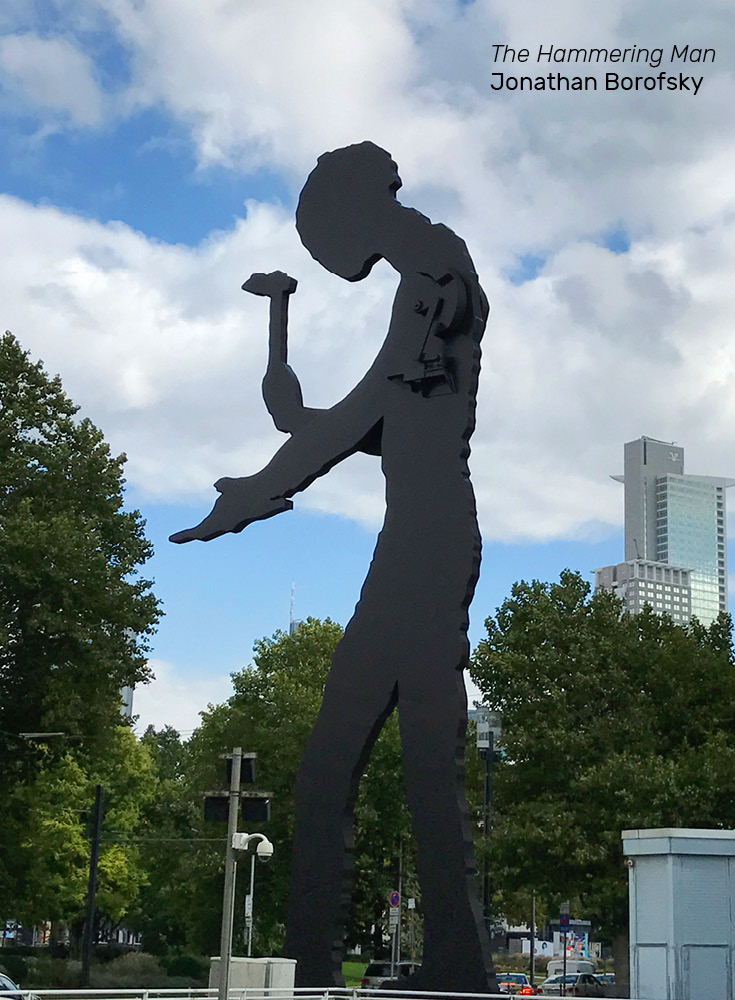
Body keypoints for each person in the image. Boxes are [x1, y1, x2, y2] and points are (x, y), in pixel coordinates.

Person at [171, 141, 496, 993]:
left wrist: (248, 494)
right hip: (414, 551)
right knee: (348, 771)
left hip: (424, 554)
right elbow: (312, 419)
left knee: (392, 767)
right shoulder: (417, 307)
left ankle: (433, 971)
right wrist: (277, 337)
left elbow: (351, 415)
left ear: (355, 210)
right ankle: (338, 970)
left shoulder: (431, 272)